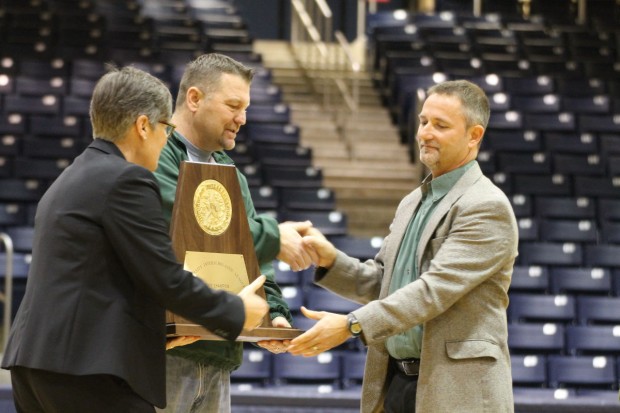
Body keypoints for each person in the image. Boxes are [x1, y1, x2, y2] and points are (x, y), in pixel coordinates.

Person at [0, 66, 269, 413]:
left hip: (35, 364)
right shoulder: (127, 179)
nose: (166, 139)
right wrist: (235, 310)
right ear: (143, 126)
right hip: (86, 371)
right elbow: (164, 277)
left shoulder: (72, 175)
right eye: (165, 129)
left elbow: (100, 282)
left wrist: (163, 333)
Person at [288, 79, 519, 413]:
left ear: (474, 135)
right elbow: (384, 283)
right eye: (423, 122)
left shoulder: (486, 205)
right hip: (397, 384)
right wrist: (331, 261)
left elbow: (432, 292)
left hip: (457, 392)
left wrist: (352, 324)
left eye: (440, 126)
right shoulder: (412, 201)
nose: (425, 133)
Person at [154, 53, 314, 413]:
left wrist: (273, 313)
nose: (242, 119)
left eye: (245, 108)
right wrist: (275, 235)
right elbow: (188, 227)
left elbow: (250, 255)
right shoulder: (157, 153)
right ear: (194, 99)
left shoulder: (232, 174)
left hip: (219, 353)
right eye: (233, 105)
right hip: (163, 351)